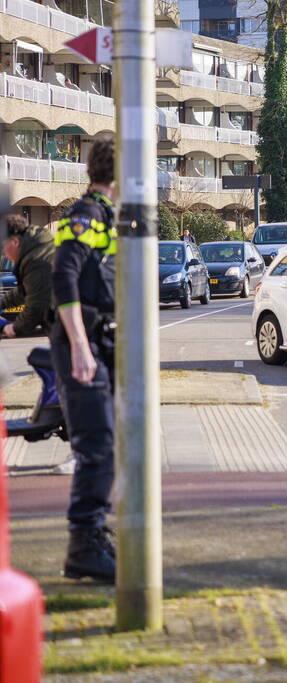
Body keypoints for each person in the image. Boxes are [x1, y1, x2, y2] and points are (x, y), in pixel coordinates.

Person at [50, 138, 118, 582]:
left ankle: (94, 533)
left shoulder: (108, 216)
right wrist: (79, 346)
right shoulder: (87, 215)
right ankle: (84, 544)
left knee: (108, 444)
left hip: (102, 343)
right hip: (86, 344)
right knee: (97, 447)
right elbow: (63, 276)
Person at [0, 214, 55, 338]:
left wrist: (15, 327)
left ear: (15, 242)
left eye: (3, 248)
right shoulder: (37, 251)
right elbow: (25, 290)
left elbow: (37, 305)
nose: (4, 254)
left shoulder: (38, 260)